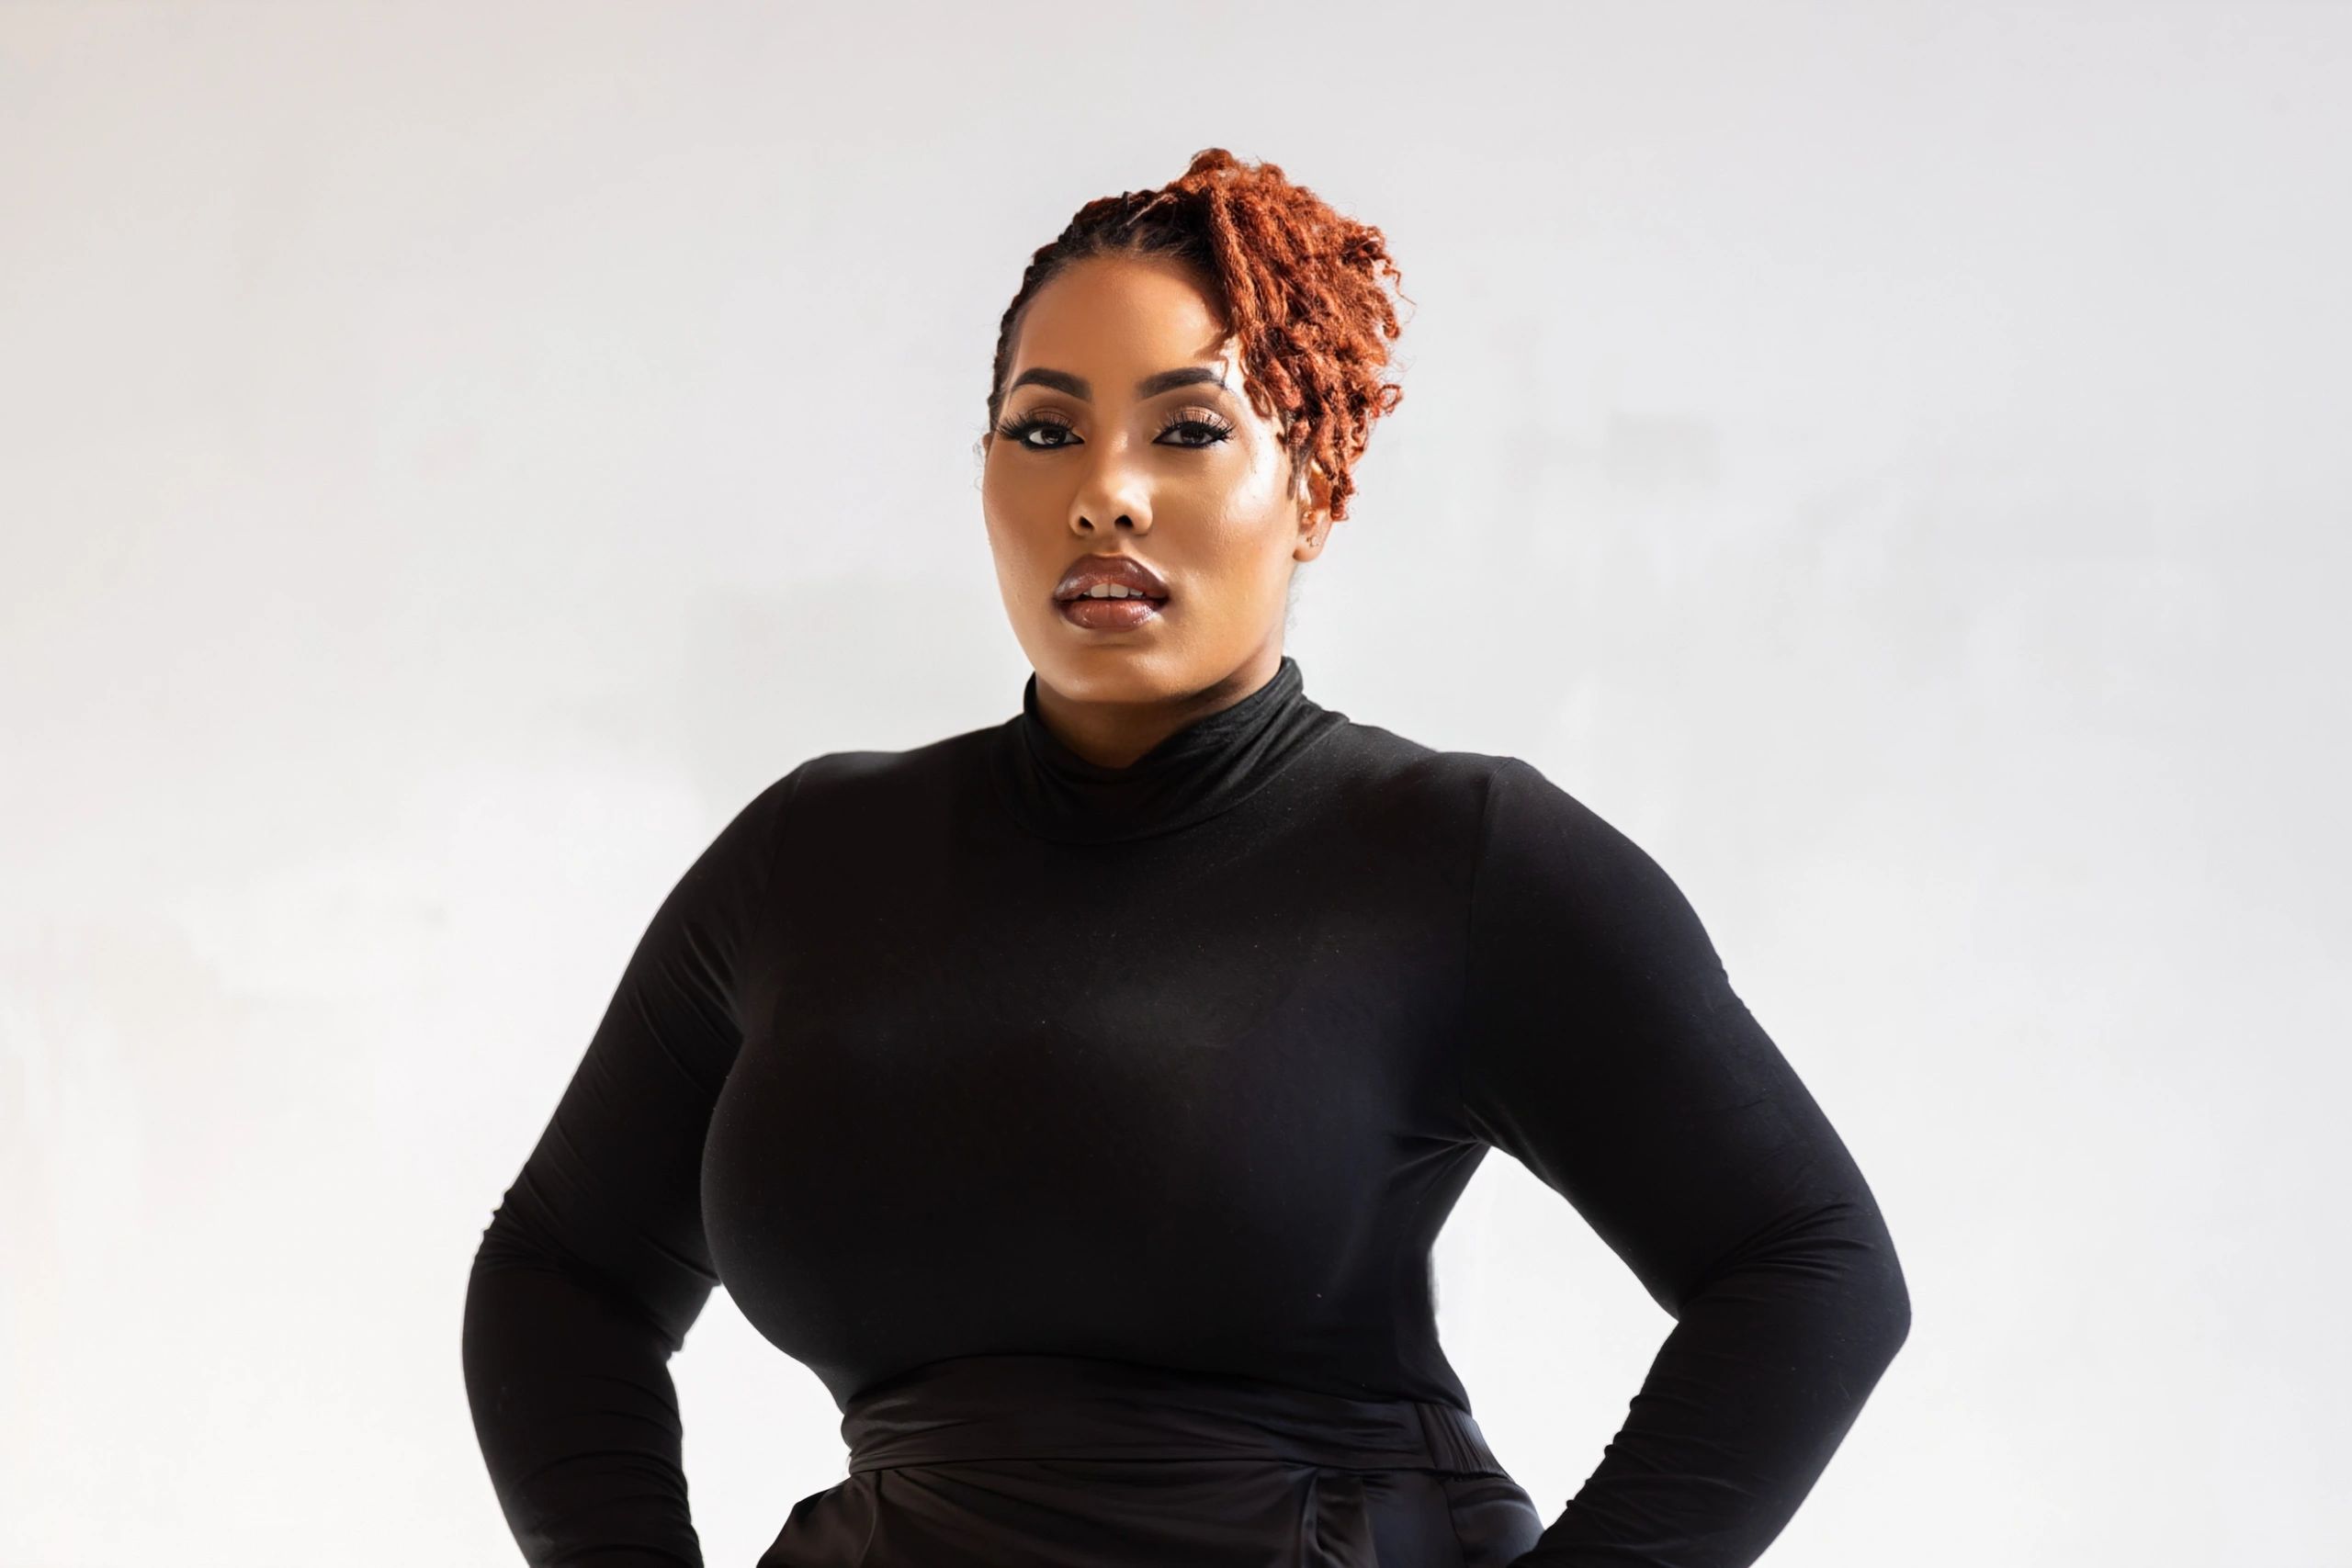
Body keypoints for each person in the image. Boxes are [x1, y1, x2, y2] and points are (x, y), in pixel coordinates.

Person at [461, 146, 1910, 1568]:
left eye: (1188, 430)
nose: (1107, 494)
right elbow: (561, 1277)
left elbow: (1810, 1269)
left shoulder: (1461, 856)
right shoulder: (810, 858)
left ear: (1319, 489)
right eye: (1046, 431)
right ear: (986, 478)